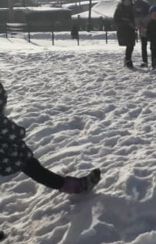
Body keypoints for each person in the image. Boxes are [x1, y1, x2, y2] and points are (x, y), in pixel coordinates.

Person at [0, 82, 101, 210]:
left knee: (38, 171)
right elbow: (16, 132)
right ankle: (77, 185)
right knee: (39, 172)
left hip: (11, 155)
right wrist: (20, 131)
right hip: (13, 154)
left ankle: (77, 185)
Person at [113, 0, 137, 69]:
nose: (127, 3)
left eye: (128, 1)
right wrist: (125, 21)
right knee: (128, 44)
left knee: (131, 45)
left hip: (131, 29)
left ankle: (127, 59)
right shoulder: (119, 9)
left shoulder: (133, 9)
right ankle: (128, 60)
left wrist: (134, 23)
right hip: (123, 30)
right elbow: (116, 20)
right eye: (125, 1)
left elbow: (136, 18)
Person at [133, 0, 151, 68]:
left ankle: (154, 61)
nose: (138, 9)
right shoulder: (135, 13)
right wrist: (140, 27)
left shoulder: (148, 11)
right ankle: (145, 61)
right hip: (142, 31)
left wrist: (148, 27)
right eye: (137, 8)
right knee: (143, 46)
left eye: (139, 8)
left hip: (151, 30)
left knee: (153, 47)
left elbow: (152, 20)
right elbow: (136, 22)